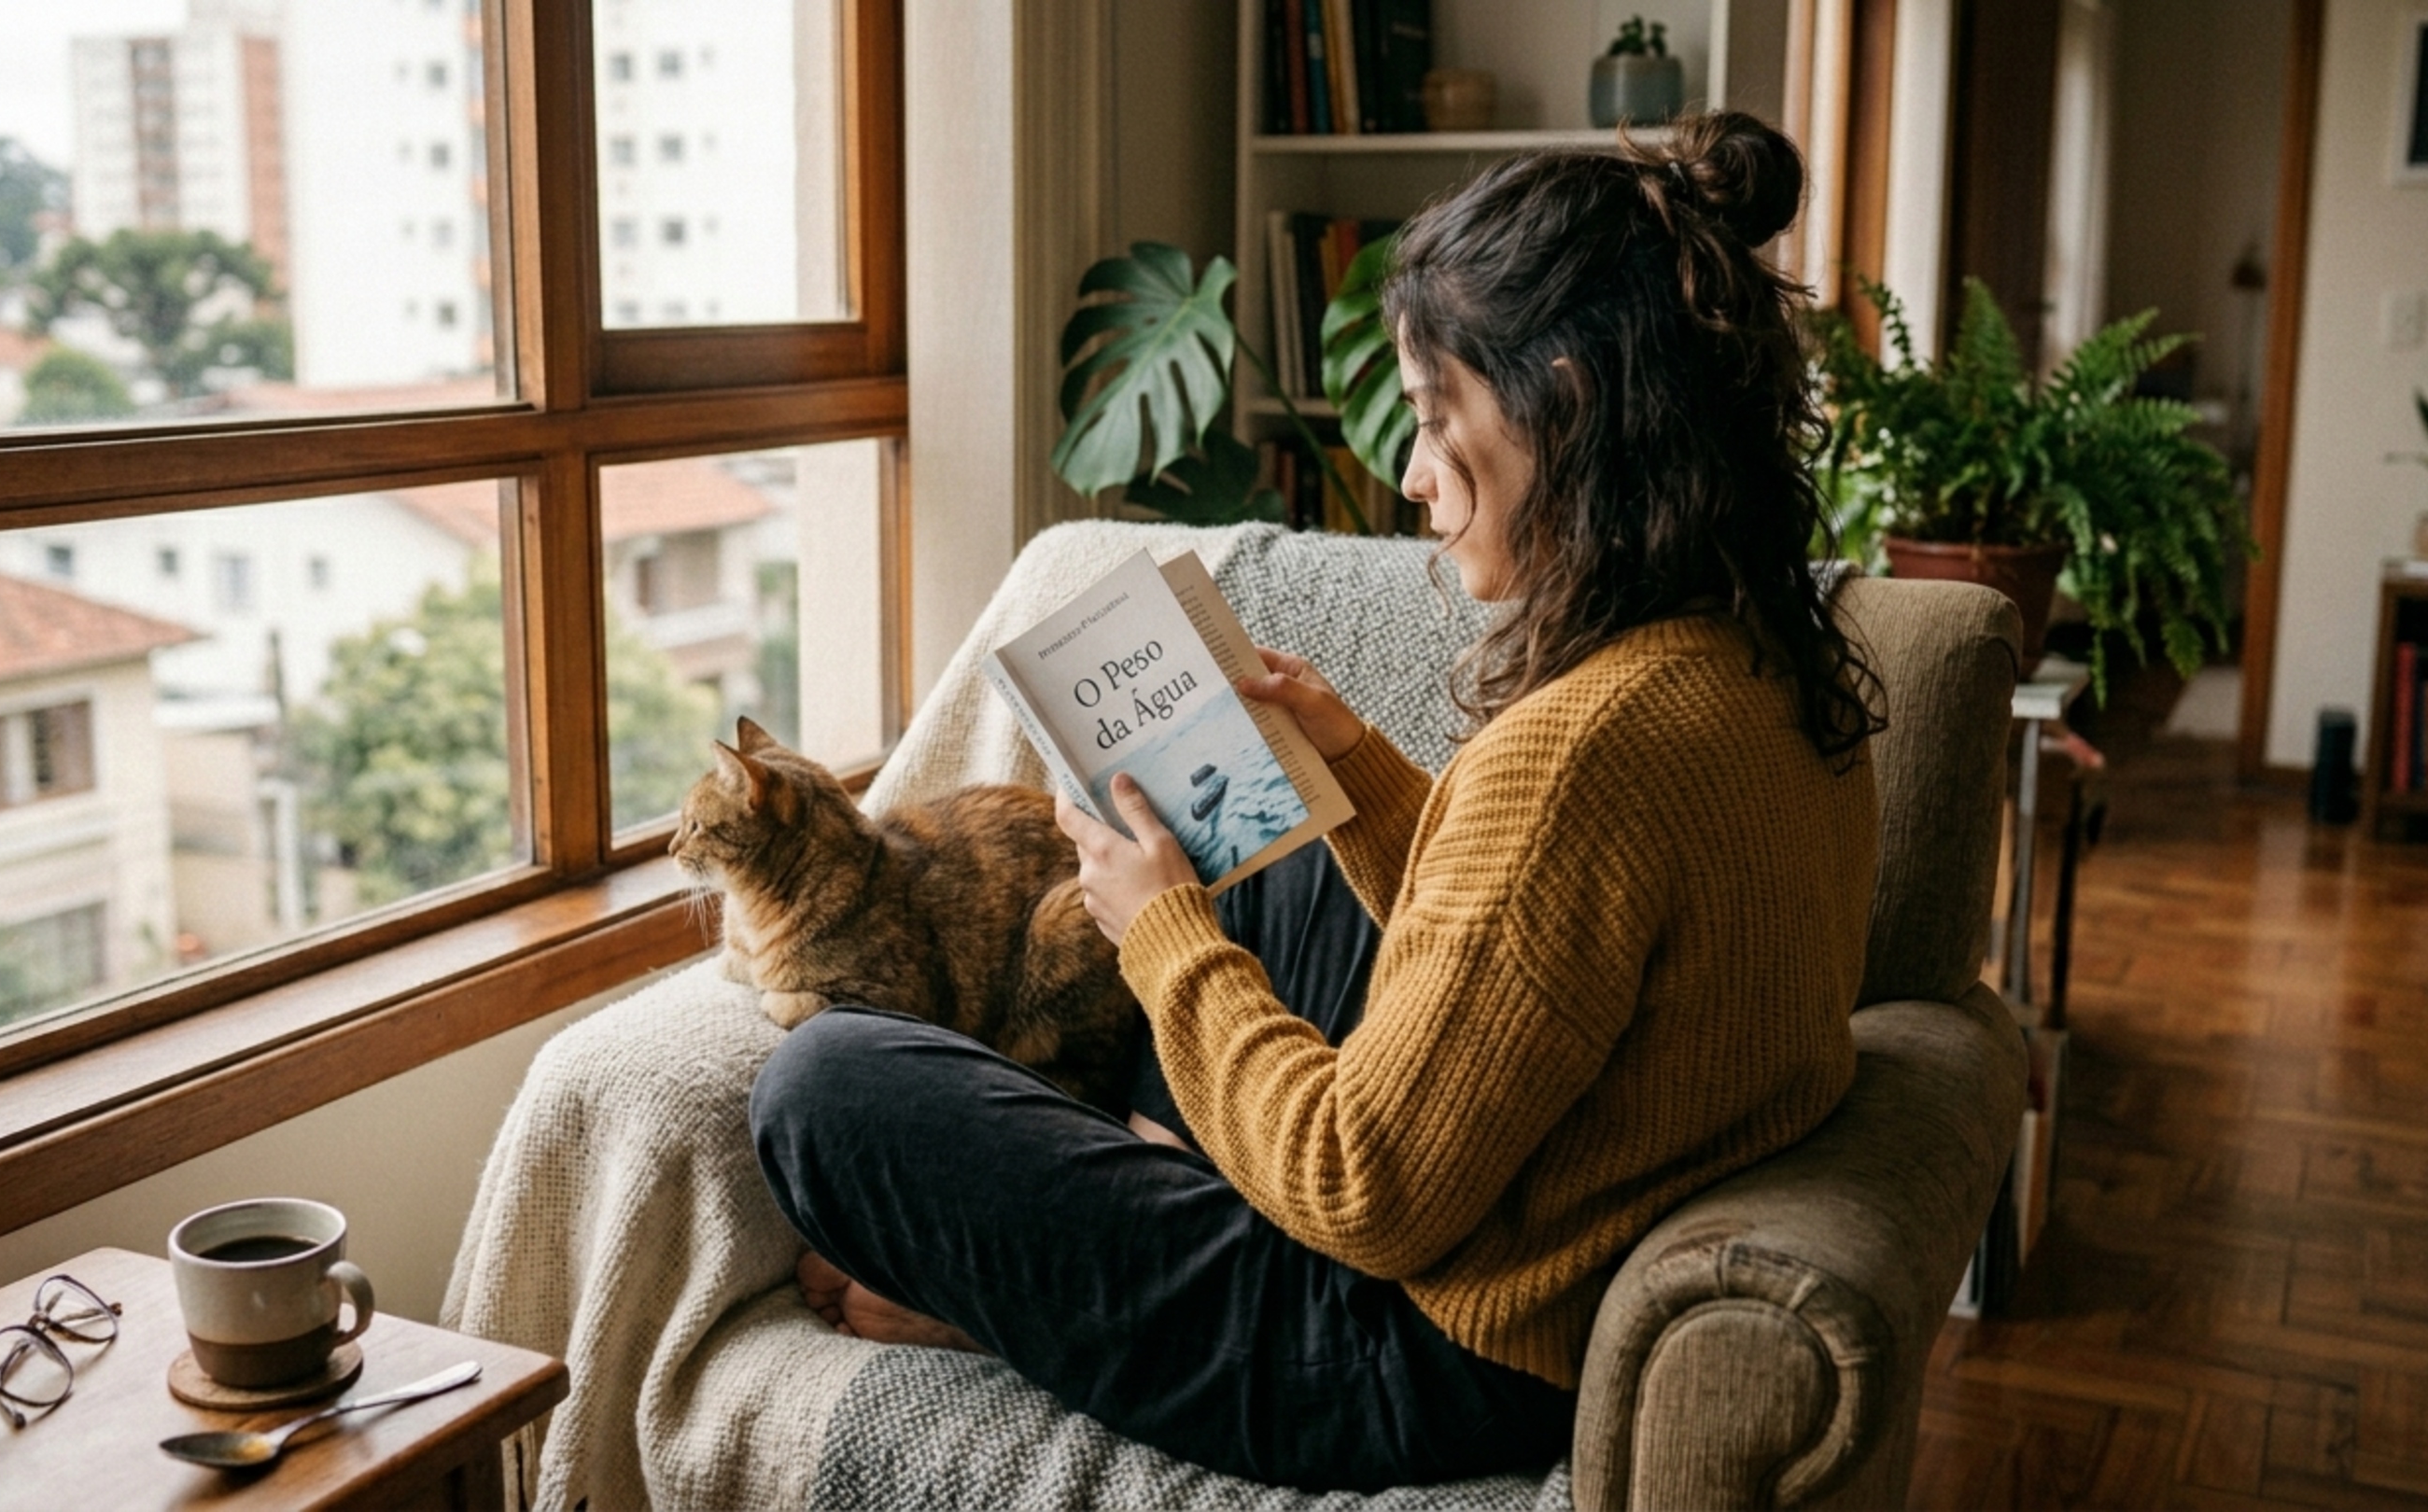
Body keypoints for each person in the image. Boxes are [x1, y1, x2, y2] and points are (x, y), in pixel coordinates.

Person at [751, 109, 1885, 1492]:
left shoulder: (1586, 749)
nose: (1413, 476)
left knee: (823, 1087)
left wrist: (1168, 937)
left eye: (1432, 416)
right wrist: (1345, 766)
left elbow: (1367, 1185)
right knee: (1275, 854)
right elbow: (1543, 957)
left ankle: (1024, 1294)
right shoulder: (1754, 651)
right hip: (1550, 1211)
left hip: (1426, 1350)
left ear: (1564, 406)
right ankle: (1164, 1181)